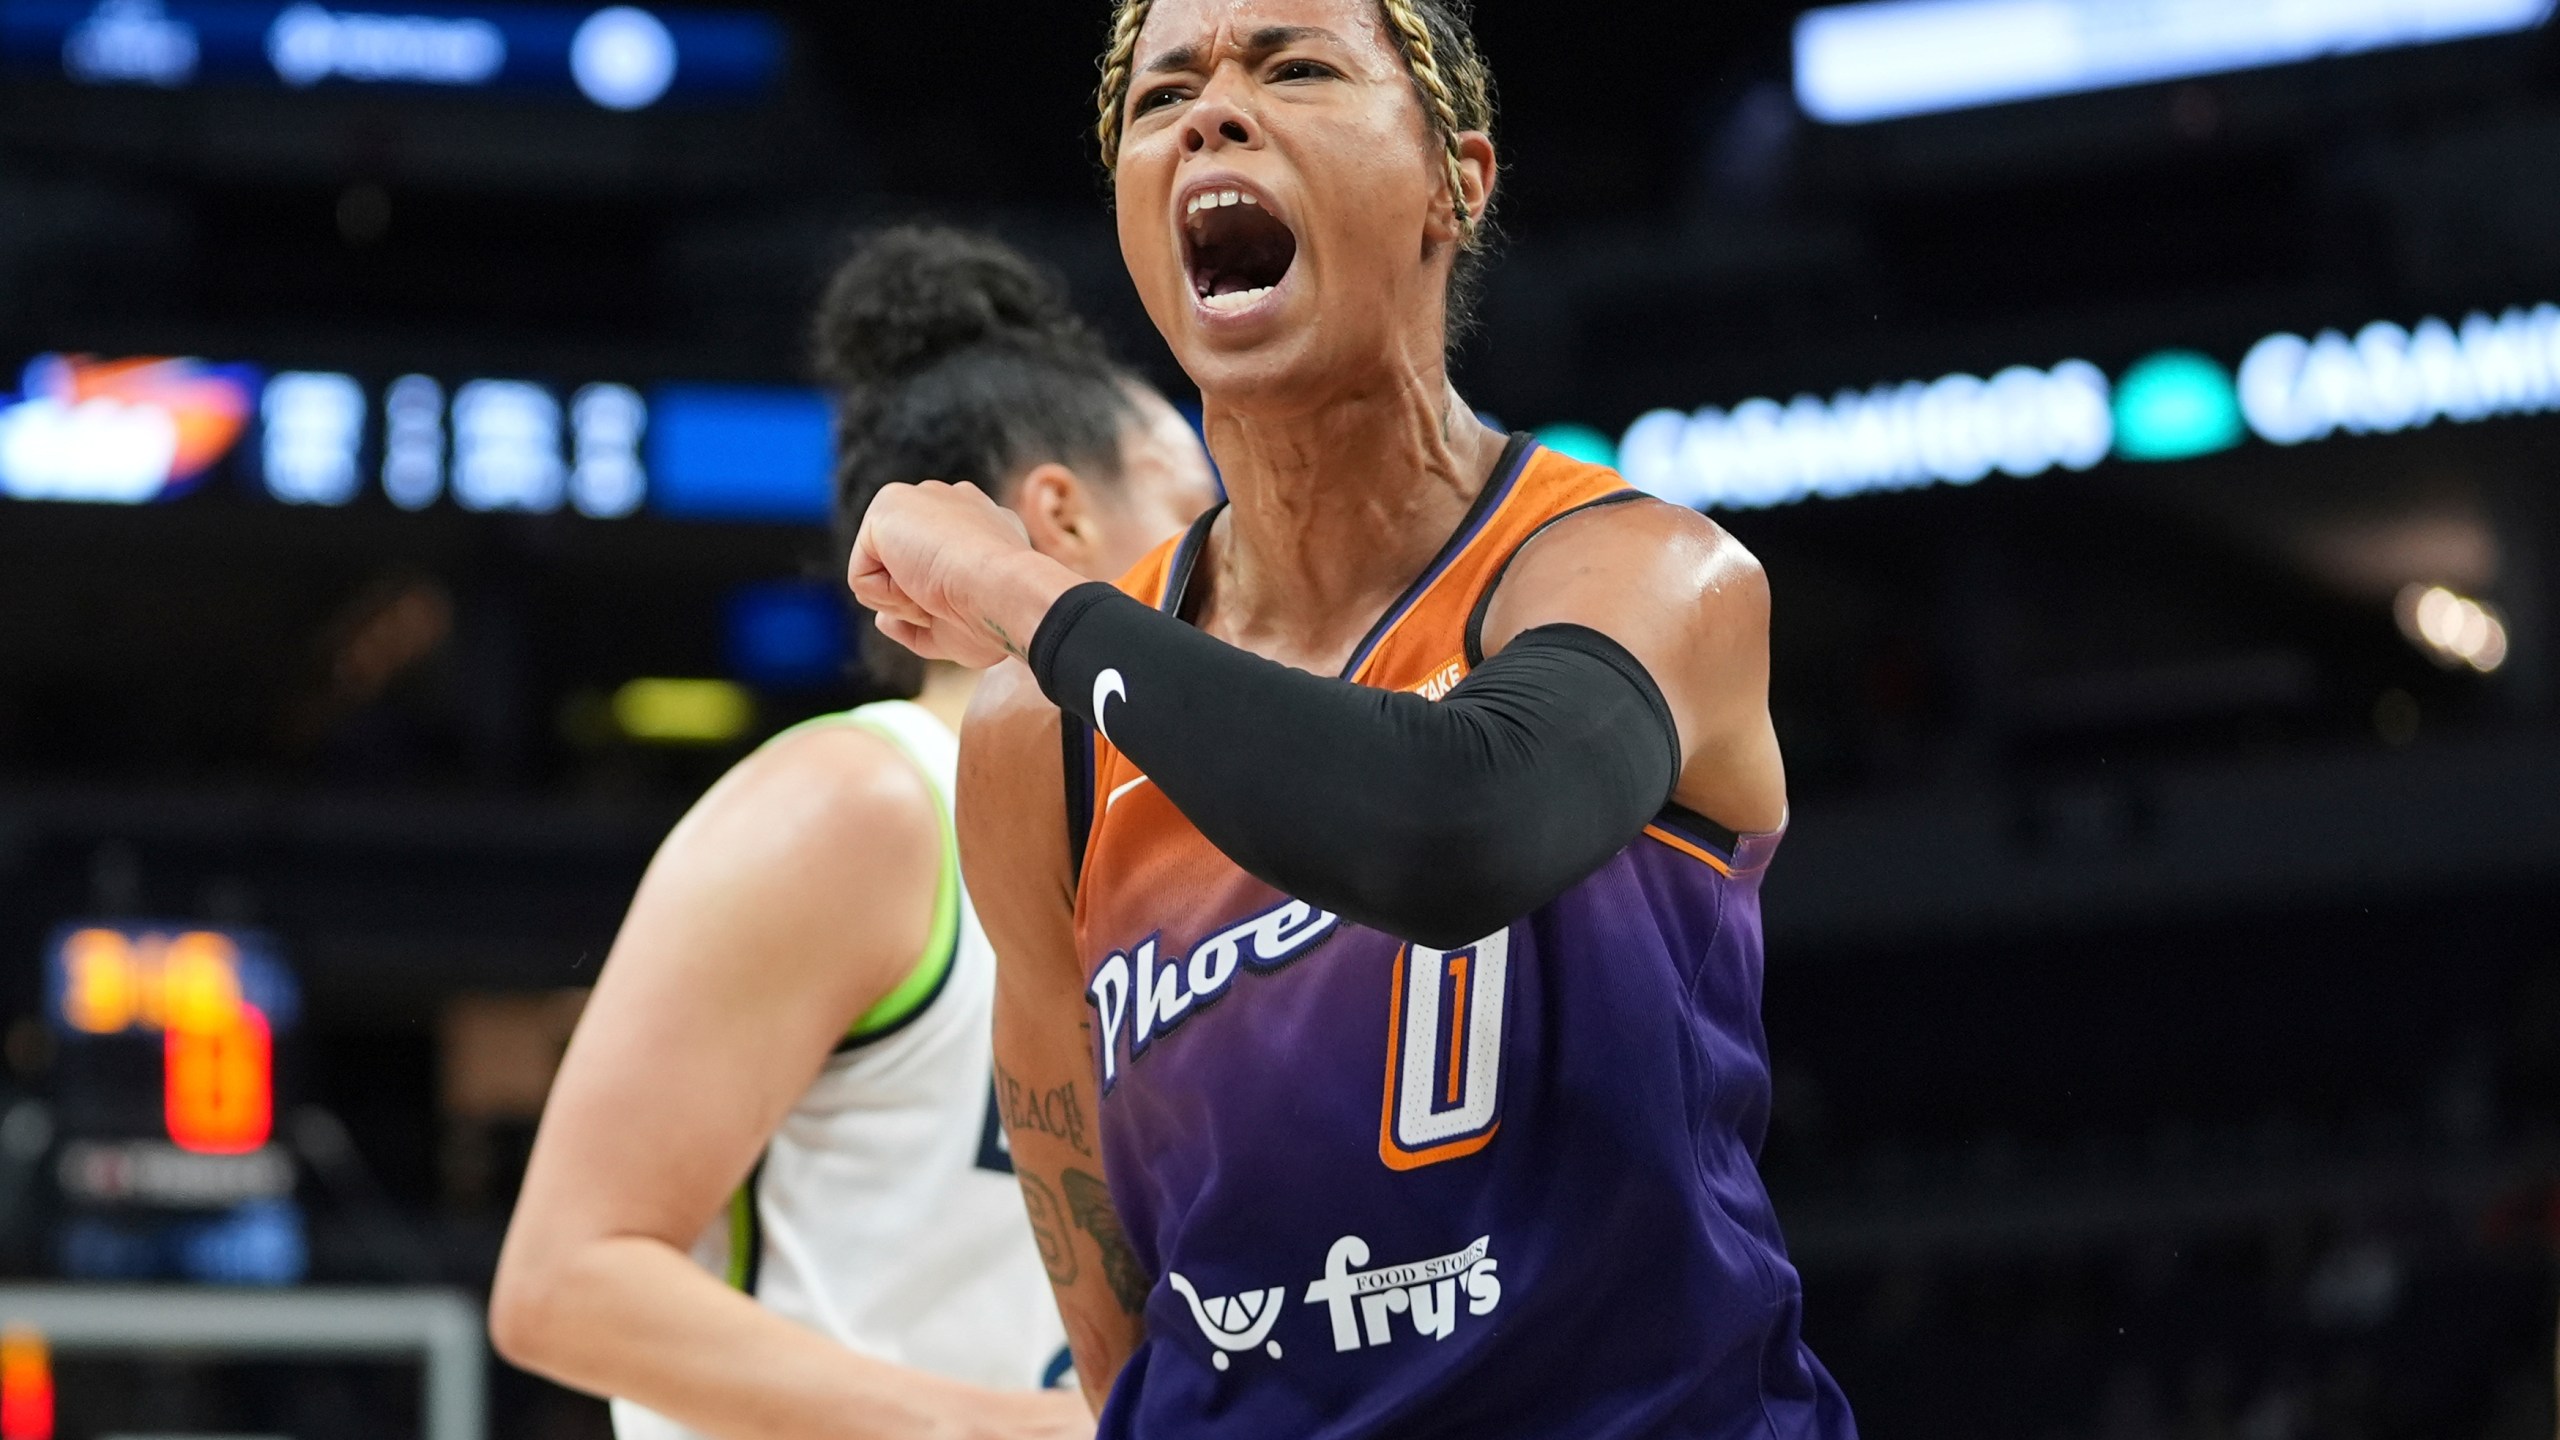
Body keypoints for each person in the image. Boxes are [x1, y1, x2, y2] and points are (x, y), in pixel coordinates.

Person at [845, 2, 1859, 1437]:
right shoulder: (1040, 742)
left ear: (1460, 180)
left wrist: (1024, 591)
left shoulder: (1635, 574)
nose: (1212, 113)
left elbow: (1453, 828)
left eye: (1297, 66)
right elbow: (1103, 1265)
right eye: (1162, 96)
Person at [490, 227, 1219, 1440]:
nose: (1229, 558)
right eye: (1194, 505)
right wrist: (1011, 1431)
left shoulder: (1189, 855)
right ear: (1064, 516)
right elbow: (567, 1281)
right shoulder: (863, 802)